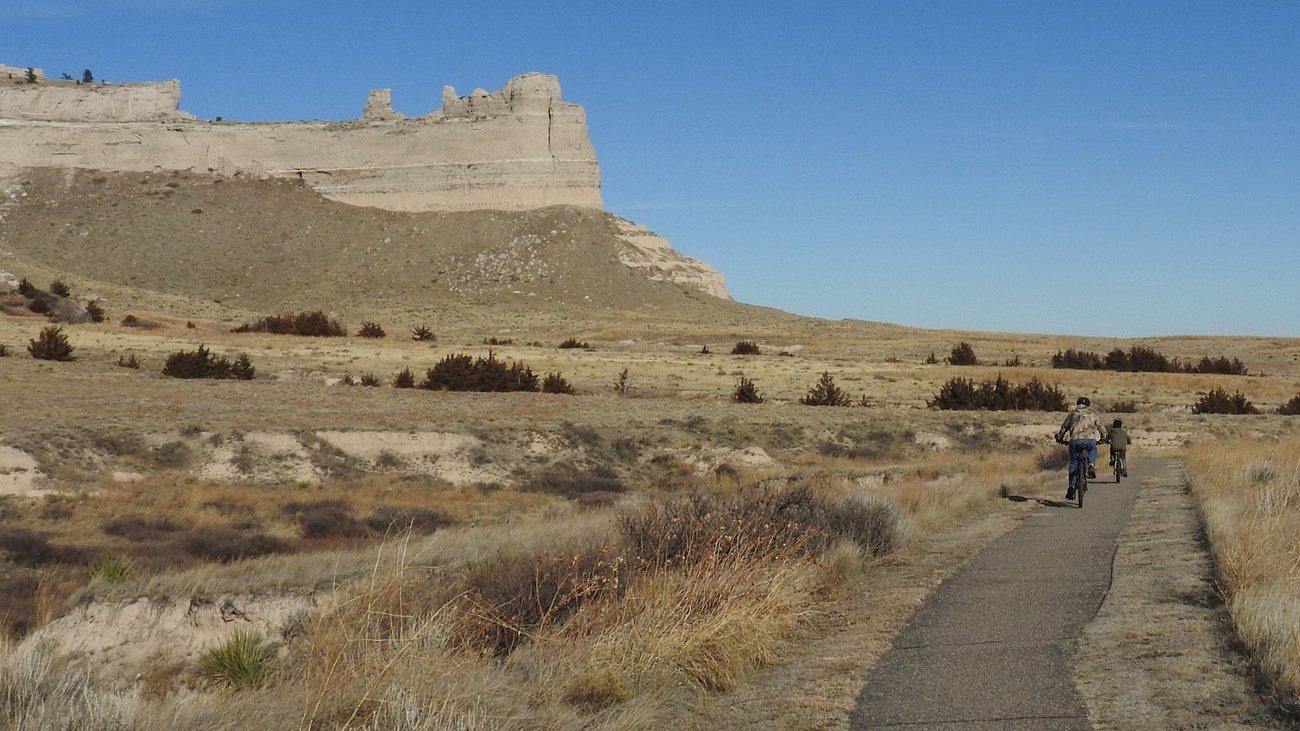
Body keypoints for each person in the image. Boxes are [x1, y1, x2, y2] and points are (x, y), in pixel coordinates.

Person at [1055, 396, 1109, 500]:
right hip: (1090, 440)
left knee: (1073, 463)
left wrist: (1059, 437)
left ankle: (1071, 486)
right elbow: (1101, 427)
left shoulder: (1073, 414)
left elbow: (1064, 427)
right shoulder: (1093, 414)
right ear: (1088, 405)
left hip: (1075, 440)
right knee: (1093, 448)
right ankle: (1091, 465)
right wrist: (1104, 437)